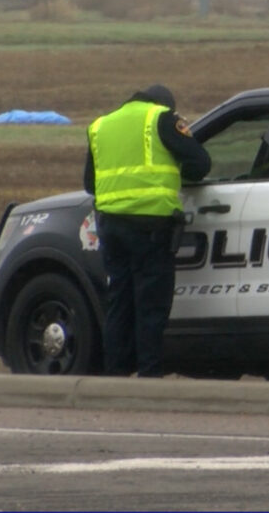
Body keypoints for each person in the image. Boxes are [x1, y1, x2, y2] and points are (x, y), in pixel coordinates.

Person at [84, 84, 211, 378]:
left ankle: (116, 372)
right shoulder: (162, 119)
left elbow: (90, 183)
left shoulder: (100, 125)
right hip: (151, 225)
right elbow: (201, 164)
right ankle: (149, 373)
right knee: (151, 303)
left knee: (120, 300)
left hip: (111, 225)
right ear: (164, 104)